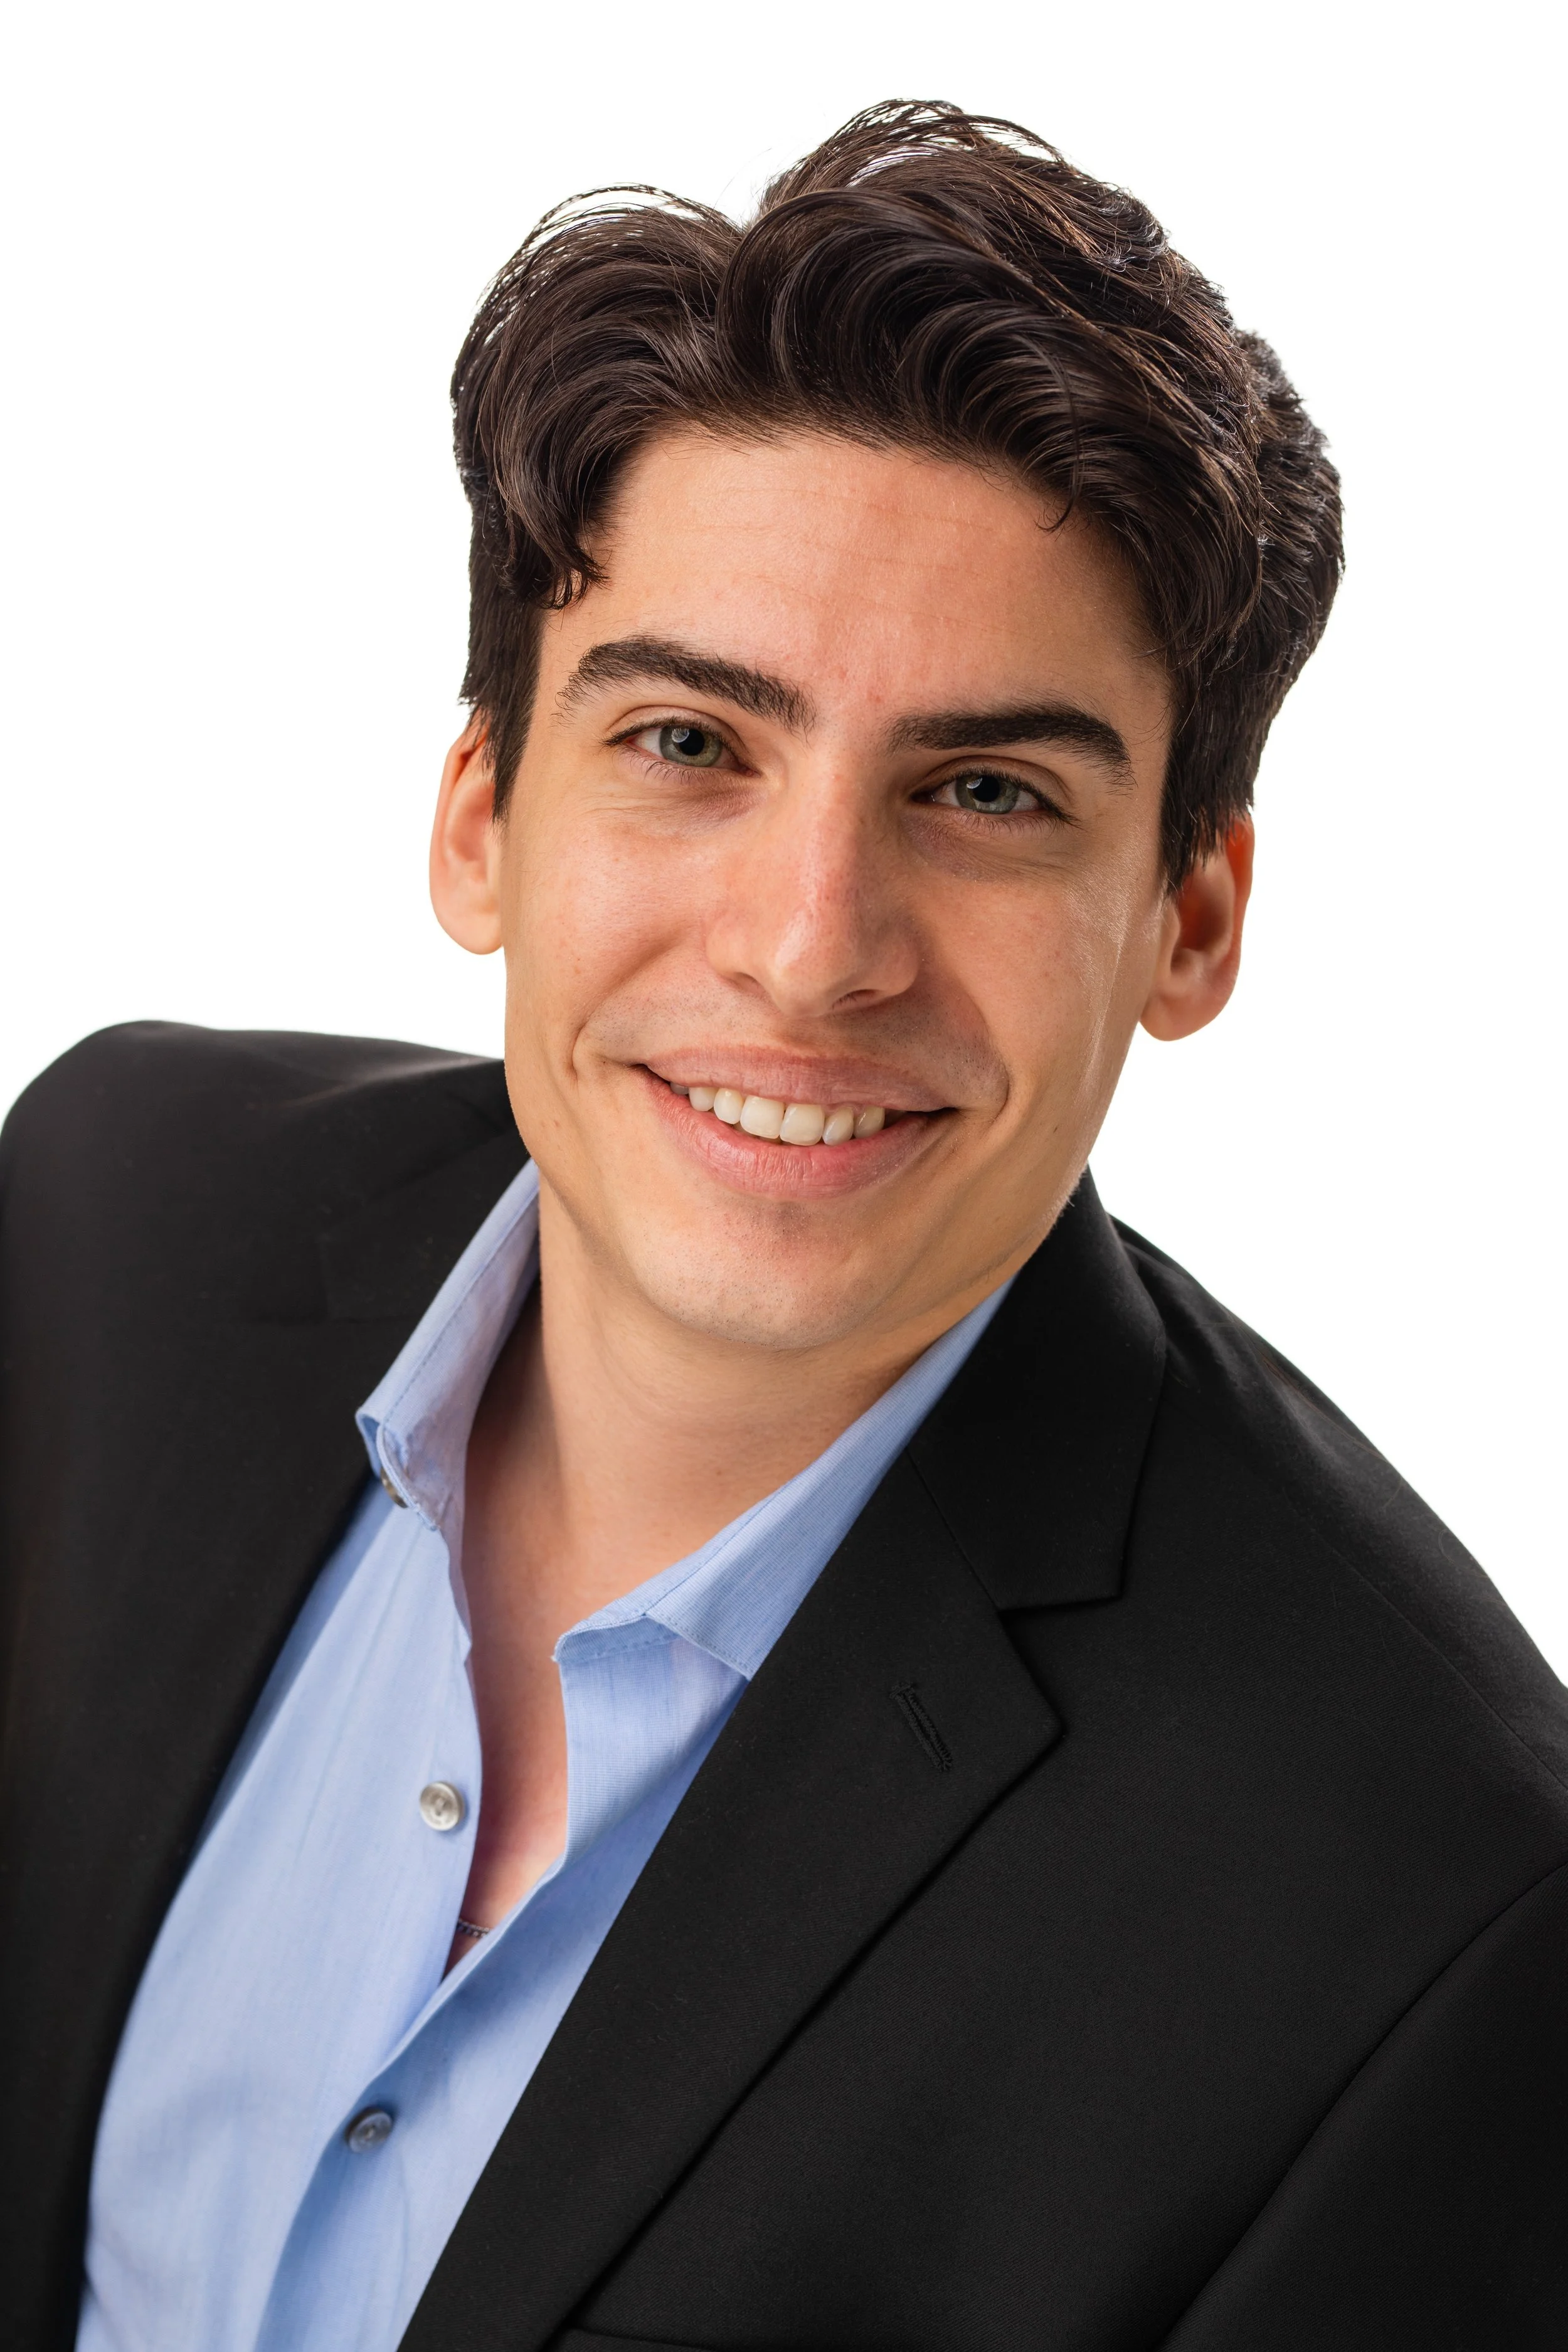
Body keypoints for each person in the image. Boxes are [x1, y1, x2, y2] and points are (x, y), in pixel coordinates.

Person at [1, 97, 1564, 2352]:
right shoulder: (109, 1217)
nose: (813, 946)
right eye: (686, 745)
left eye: (987, 792)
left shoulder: (1420, 1918)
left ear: (1190, 918)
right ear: (480, 815)